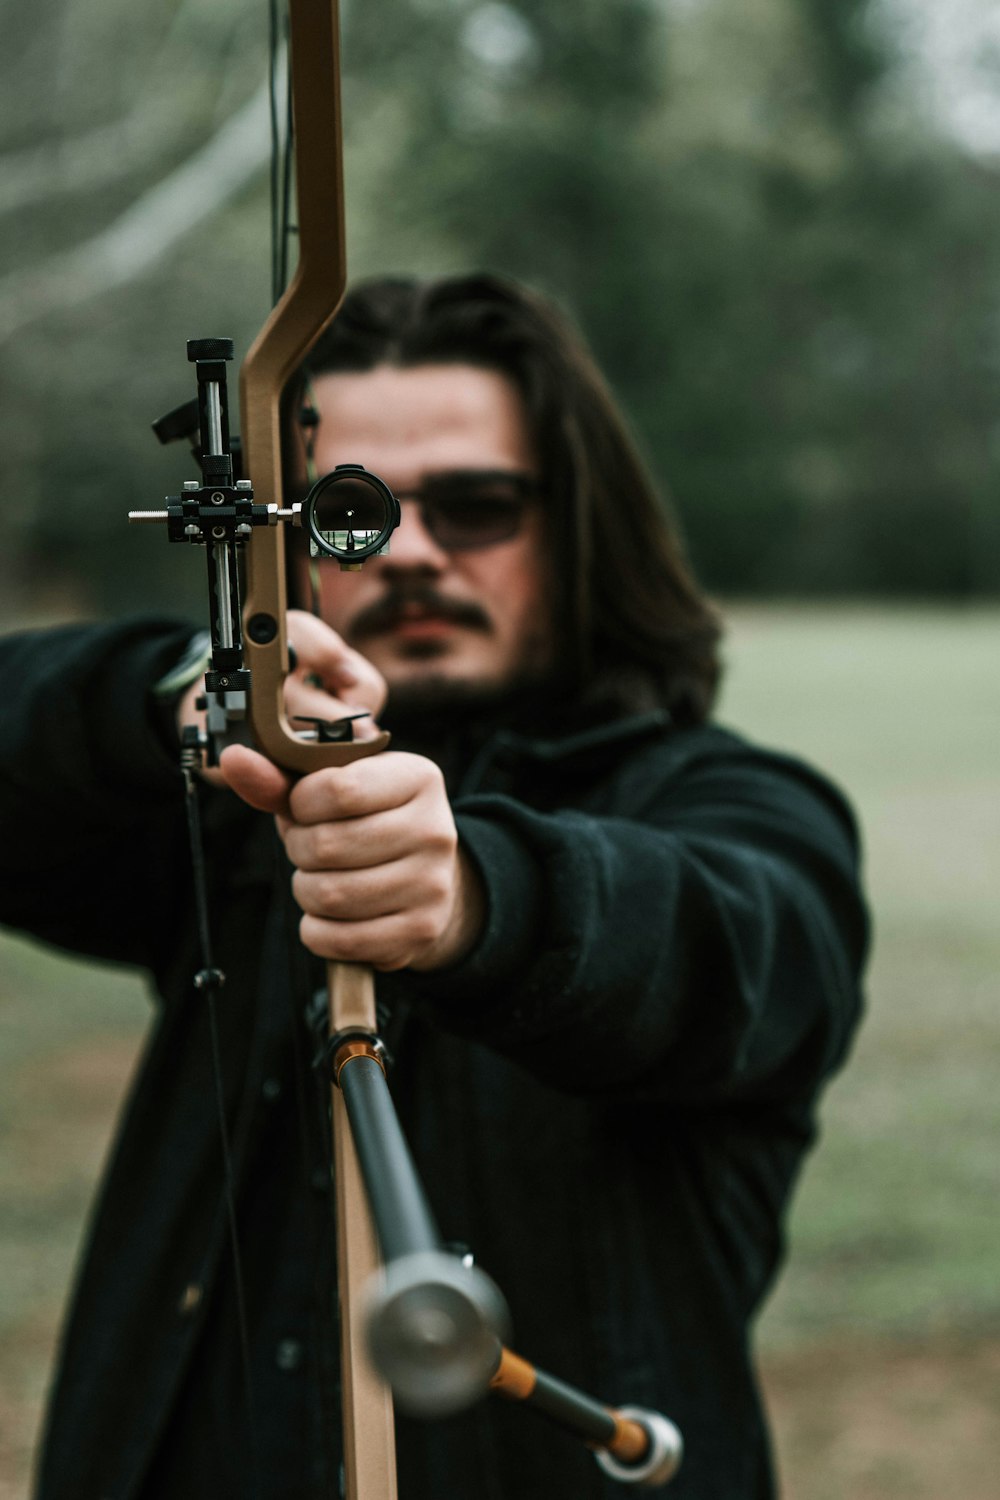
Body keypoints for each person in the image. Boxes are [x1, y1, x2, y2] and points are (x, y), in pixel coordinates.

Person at [0, 273, 867, 1499]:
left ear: (576, 522)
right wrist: (177, 694)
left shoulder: (731, 802)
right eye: (350, 509)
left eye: (476, 505)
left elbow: (729, 943)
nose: (409, 551)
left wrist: (471, 900)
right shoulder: (242, 805)